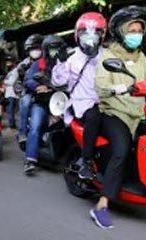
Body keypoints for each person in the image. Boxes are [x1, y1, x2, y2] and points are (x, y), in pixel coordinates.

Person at [92, 6, 146, 228]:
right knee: (121, 149)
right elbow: (100, 85)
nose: (137, 34)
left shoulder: (141, 58)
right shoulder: (108, 56)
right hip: (115, 112)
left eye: (139, 30)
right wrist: (117, 88)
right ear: (120, 32)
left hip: (140, 113)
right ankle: (102, 204)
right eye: (132, 30)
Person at [52, 12, 107, 180]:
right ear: (78, 35)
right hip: (82, 105)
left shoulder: (108, 55)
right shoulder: (71, 56)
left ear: (102, 35)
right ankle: (86, 160)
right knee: (93, 116)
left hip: (108, 102)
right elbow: (57, 81)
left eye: (95, 34)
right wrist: (60, 63)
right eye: (85, 34)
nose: (90, 39)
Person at [22, 34, 66, 175]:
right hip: (42, 102)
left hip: (61, 101)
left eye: (57, 48)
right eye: (52, 48)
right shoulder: (38, 63)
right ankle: (30, 160)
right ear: (46, 49)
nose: (55, 51)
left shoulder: (66, 63)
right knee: (35, 127)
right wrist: (37, 87)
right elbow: (28, 79)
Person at [17, 34, 44, 143]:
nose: (35, 51)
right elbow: (15, 79)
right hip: (30, 92)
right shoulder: (24, 63)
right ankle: (22, 132)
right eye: (33, 49)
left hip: (49, 91)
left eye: (37, 48)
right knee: (25, 102)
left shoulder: (47, 60)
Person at [3, 55, 18, 129]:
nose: (7, 63)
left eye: (9, 61)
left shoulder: (15, 71)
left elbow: (11, 82)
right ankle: (12, 124)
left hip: (13, 93)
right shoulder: (9, 71)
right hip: (8, 93)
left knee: (10, 110)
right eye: (7, 61)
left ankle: (12, 125)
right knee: (9, 110)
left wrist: (4, 81)